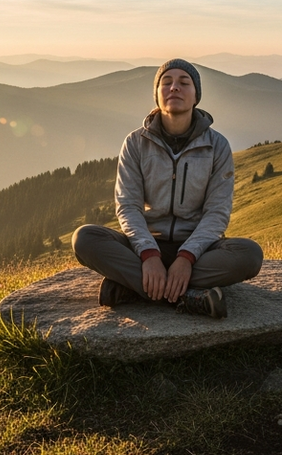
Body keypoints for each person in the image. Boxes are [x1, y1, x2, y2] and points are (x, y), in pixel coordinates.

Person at [72, 58, 263, 318]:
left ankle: (134, 288)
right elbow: (128, 205)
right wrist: (149, 254)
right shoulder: (135, 143)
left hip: (199, 250)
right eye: (167, 83)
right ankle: (188, 296)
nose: (175, 88)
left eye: (184, 83)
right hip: (146, 245)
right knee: (84, 238)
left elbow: (217, 213)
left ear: (196, 96)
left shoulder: (217, 146)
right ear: (157, 95)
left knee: (250, 254)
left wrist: (186, 257)